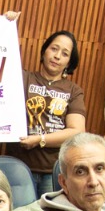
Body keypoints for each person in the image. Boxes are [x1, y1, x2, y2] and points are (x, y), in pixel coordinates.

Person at [16, 29, 88, 194]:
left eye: (64, 53)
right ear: (44, 52)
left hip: (54, 170)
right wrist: (7, 22)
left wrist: (40, 139)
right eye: (54, 49)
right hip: (19, 167)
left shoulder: (73, 90)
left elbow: (76, 132)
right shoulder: (24, 78)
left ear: (69, 62)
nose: (57, 56)